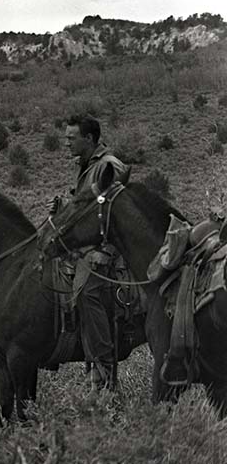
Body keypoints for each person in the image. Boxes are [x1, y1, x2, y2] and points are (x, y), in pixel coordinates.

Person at [49, 114, 130, 390]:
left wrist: (105, 250)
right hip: (86, 242)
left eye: (71, 138)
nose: (66, 143)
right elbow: (89, 206)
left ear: (89, 138)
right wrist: (64, 206)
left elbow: (118, 204)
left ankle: (103, 369)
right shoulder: (86, 165)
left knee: (87, 292)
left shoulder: (108, 164)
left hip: (105, 246)